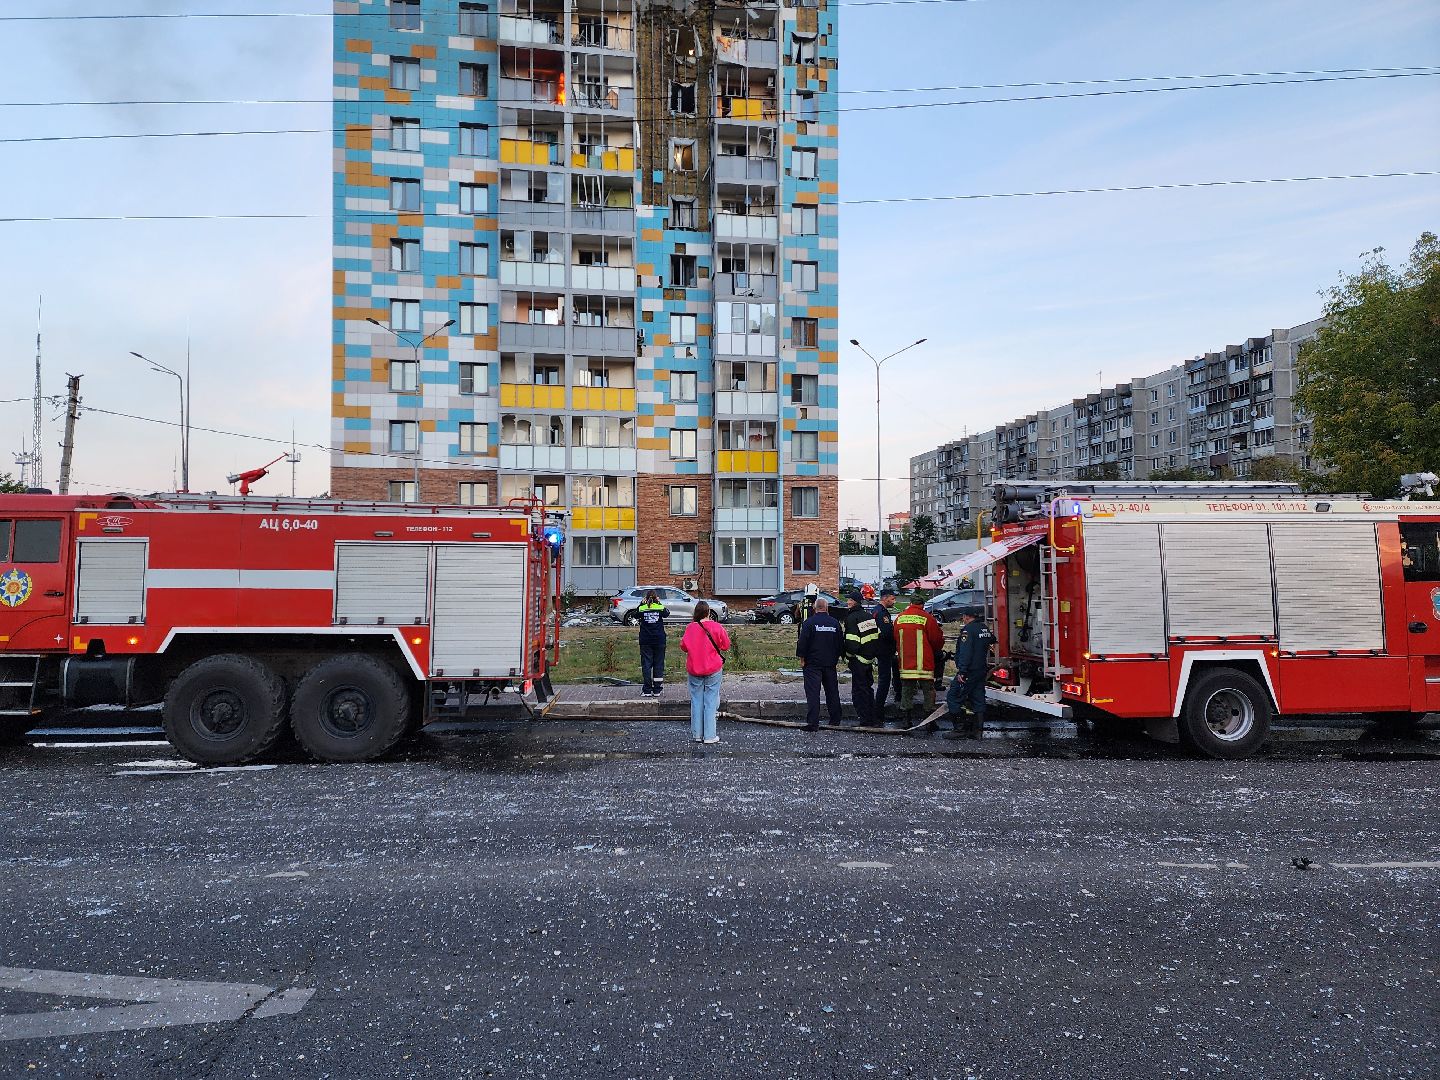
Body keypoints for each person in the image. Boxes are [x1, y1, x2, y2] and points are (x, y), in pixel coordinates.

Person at [680, 601, 730, 744]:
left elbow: (683, 646)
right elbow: (725, 646)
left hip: (694, 668)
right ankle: (709, 735)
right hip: (713, 668)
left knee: (696, 701)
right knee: (710, 700)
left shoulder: (690, 627)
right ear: (708, 612)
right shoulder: (717, 627)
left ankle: (697, 734)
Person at [894, 592, 946, 725]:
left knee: (907, 690)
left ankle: (906, 720)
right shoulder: (927, 618)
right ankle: (929, 721)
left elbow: (895, 637)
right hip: (924, 663)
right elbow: (937, 640)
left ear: (910, 603)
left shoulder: (900, 618)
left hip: (906, 663)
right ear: (922, 605)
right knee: (928, 691)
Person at [944, 607, 995, 738]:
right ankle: (978, 731)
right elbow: (992, 639)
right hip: (980, 669)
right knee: (978, 698)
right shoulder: (983, 628)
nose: (963, 619)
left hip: (969, 671)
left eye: (963, 617)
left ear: (967, 617)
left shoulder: (968, 630)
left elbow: (966, 652)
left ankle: (959, 729)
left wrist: (962, 671)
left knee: (953, 697)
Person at [796, 596, 844, 731]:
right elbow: (840, 643)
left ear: (814, 608)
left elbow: (802, 643)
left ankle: (813, 723)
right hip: (830, 663)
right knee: (832, 692)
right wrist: (837, 658)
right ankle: (835, 720)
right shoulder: (834, 623)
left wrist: (802, 659)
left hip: (812, 664)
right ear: (827, 608)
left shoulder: (809, 623)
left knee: (813, 693)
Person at [842, 590, 881, 726]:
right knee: (868, 689)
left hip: (858, 660)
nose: (848, 602)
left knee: (859, 691)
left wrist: (847, 656)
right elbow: (876, 636)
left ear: (855, 602)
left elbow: (851, 643)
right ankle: (872, 717)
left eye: (850, 600)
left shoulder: (851, 618)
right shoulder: (869, 616)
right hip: (869, 659)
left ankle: (864, 719)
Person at [869, 587, 902, 725]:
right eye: (892, 599)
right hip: (884, 651)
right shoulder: (881, 613)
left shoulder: (878, 611)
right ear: (885, 598)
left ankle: (878, 712)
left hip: (882, 650)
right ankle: (878, 713)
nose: (894, 601)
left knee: (885, 681)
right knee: (884, 682)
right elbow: (887, 633)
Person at [636, 590, 667, 697]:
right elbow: (667, 613)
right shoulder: (659, 607)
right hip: (659, 640)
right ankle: (657, 689)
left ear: (646, 598)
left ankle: (647, 690)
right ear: (656, 598)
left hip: (646, 640)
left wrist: (641, 603)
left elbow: (635, 614)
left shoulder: (642, 608)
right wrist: (659, 603)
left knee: (646, 665)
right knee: (658, 665)